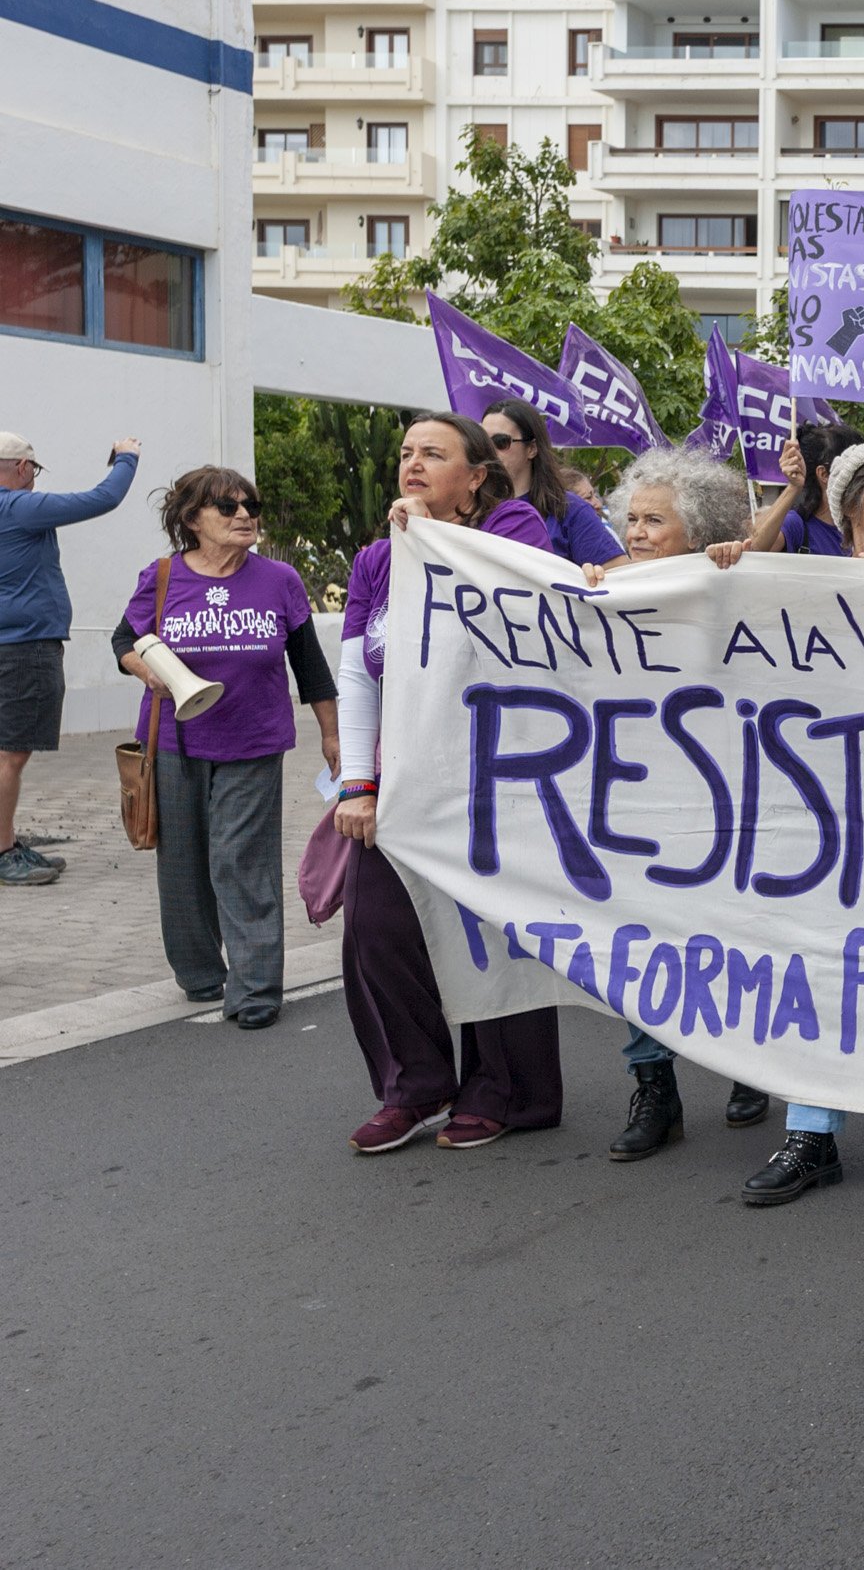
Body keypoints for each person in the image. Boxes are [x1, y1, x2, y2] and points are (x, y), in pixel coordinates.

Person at [718, 439, 864, 1201]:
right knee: (817, 961)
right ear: (848, 502)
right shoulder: (801, 580)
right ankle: (810, 1134)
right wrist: (724, 567)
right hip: (823, 812)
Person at [334, 413, 565, 1154]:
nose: (413, 463)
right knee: (377, 928)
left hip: (492, 776)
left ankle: (506, 1089)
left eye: (434, 454)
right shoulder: (376, 560)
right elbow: (357, 674)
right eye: (407, 452)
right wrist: (357, 782)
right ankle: (417, 1086)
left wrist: (431, 538)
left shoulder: (513, 526)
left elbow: (521, 621)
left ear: (475, 477)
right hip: (402, 779)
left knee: (488, 935)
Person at [576, 447, 775, 1155]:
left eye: (654, 521)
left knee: (730, 934)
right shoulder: (605, 588)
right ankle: (654, 1087)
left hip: (726, 800)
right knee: (637, 940)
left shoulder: (730, 583)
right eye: (631, 518)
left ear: (700, 530)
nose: (636, 532)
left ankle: (750, 1064)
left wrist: (736, 566)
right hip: (638, 800)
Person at [109, 468, 338, 1027]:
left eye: (250, 506)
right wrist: (144, 669)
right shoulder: (163, 576)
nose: (244, 516)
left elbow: (310, 665)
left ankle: (256, 988)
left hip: (254, 740)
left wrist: (333, 735)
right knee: (182, 865)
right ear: (192, 519)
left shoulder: (279, 580)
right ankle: (200, 974)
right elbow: (123, 639)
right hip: (174, 741)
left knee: (241, 860)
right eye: (228, 507)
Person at [0, 432, 139, 888]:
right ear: (22, 467)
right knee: (11, 754)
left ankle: (6, 840)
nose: (34, 480)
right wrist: (126, 458)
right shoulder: (18, 507)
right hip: (23, 649)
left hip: (11, 644)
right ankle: (2, 852)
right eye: (34, 471)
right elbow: (102, 498)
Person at [481, 398, 626, 571]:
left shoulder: (569, 510)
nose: (489, 451)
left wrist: (591, 576)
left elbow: (619, 574)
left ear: (532, 448)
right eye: (483, 443)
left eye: (501, 442)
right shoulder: (468, 508)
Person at [741, 419, 864, 556]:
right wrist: (793, 487)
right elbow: (755, 548)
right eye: (857, 470)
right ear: (824, 474)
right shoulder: (797, 524)